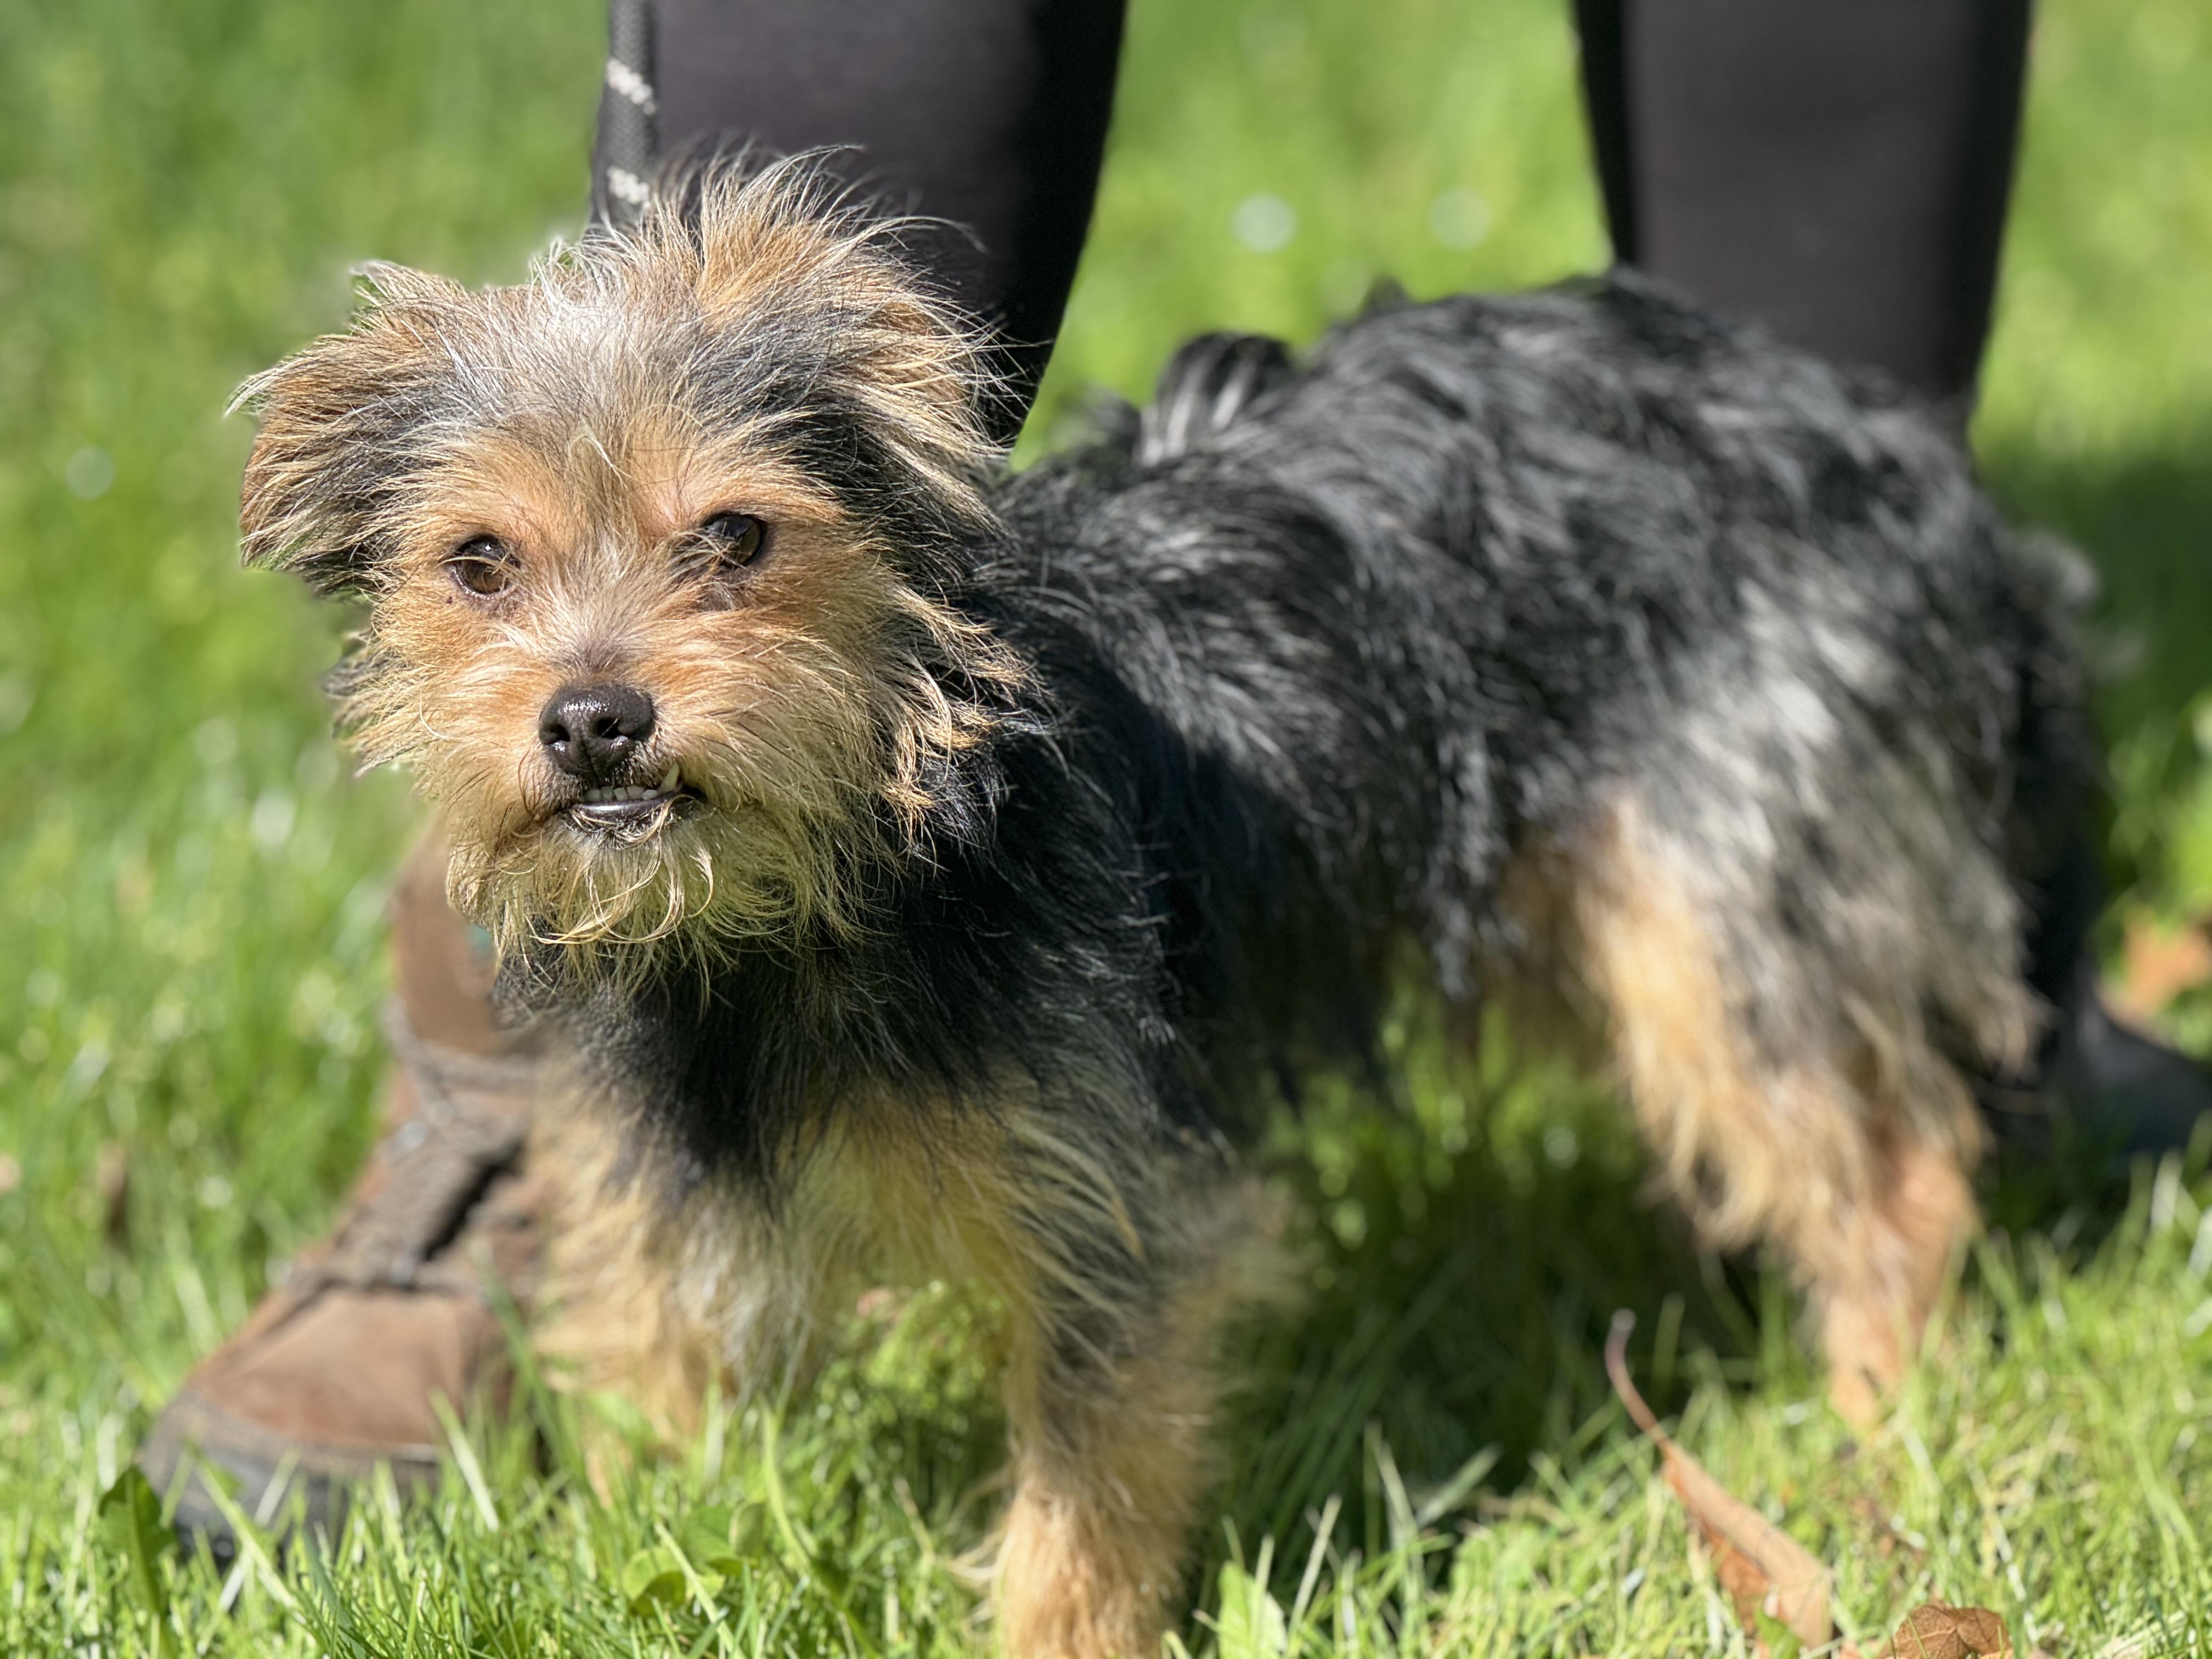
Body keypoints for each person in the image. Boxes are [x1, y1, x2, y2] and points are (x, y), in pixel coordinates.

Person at [141, 0, 2210, 1554]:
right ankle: (557, 1287)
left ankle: (1902, 1274)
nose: (592, 675)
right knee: (640, 1103)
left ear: (894, 538)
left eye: (733, 545)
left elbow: (1128, 1276)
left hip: (1698, 604)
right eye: (481, 569)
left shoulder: (996, 926)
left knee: (1756, 1045)